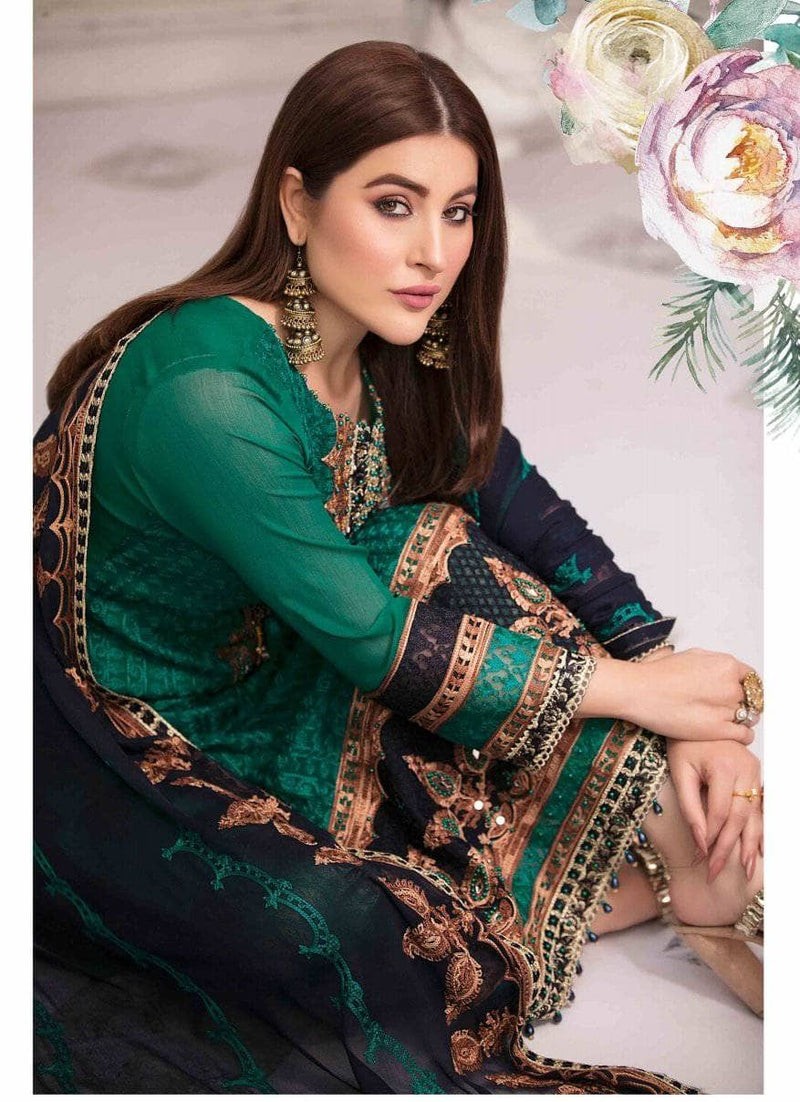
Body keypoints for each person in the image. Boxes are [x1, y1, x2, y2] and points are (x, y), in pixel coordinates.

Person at [33, 40, 763, 1094]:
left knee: (441, 548)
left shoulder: (390, 338)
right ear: (296, 203)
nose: (432, 252)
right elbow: (374, 643)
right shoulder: (205, 391)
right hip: (140, 755)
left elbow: (529, 514)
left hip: (286, 667)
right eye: (392, 205)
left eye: (458, 212)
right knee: (351, 942)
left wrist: (681, 695)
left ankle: (657, 872)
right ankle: (588, 882)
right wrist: (642, 694)